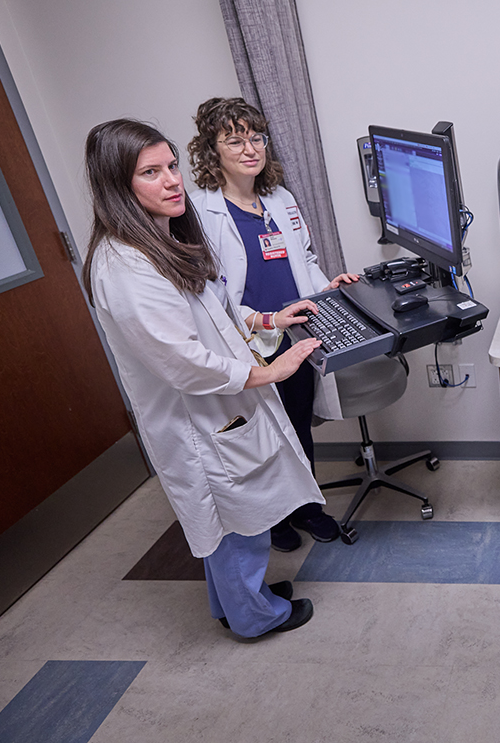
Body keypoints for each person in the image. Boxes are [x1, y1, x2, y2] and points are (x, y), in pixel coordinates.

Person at [82, 119, 326, 637]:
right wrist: (271, 371)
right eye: (151, 172)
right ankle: (256, 617)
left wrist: (269, 320)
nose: (172, 180)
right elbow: (184, 361)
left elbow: (213, 311)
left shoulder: (160, 237)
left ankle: (236, 601)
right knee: (233, 519)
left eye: (171, 165)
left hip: (221, 407)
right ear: (116, 186)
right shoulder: (124, 266)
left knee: (231, 520)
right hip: (198, 418)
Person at [188, 97, 358, 552]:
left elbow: (304, 260)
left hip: (293, 336)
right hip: (246, 343)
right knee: (262, 435)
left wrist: (328, 289)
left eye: (256, 138)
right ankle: (275, 519)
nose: (250, 149)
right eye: (235, 140)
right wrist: (265, 318)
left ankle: (308, 509)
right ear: (213, 151)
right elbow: (210, 296)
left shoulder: (279, 199)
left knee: (298, 424)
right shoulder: (202, 213)